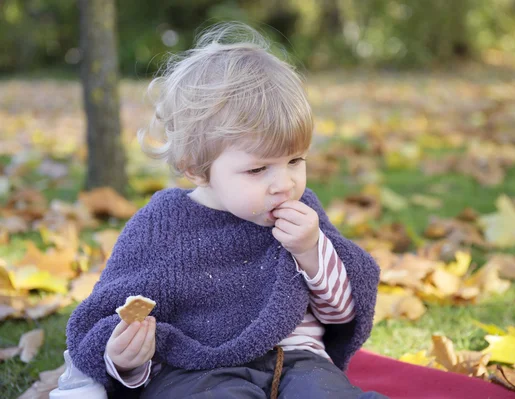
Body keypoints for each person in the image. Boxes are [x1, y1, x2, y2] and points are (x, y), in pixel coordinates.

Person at [66, 22, 383, 399]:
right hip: (199, 368)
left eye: (295, 160)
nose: (284, 183)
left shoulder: (303, 214)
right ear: (196, 168)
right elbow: (109, 319)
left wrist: (312, 252)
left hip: (297, 359)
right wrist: (127, 360)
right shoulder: (162, 225)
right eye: (257, 169)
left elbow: (342, 315)